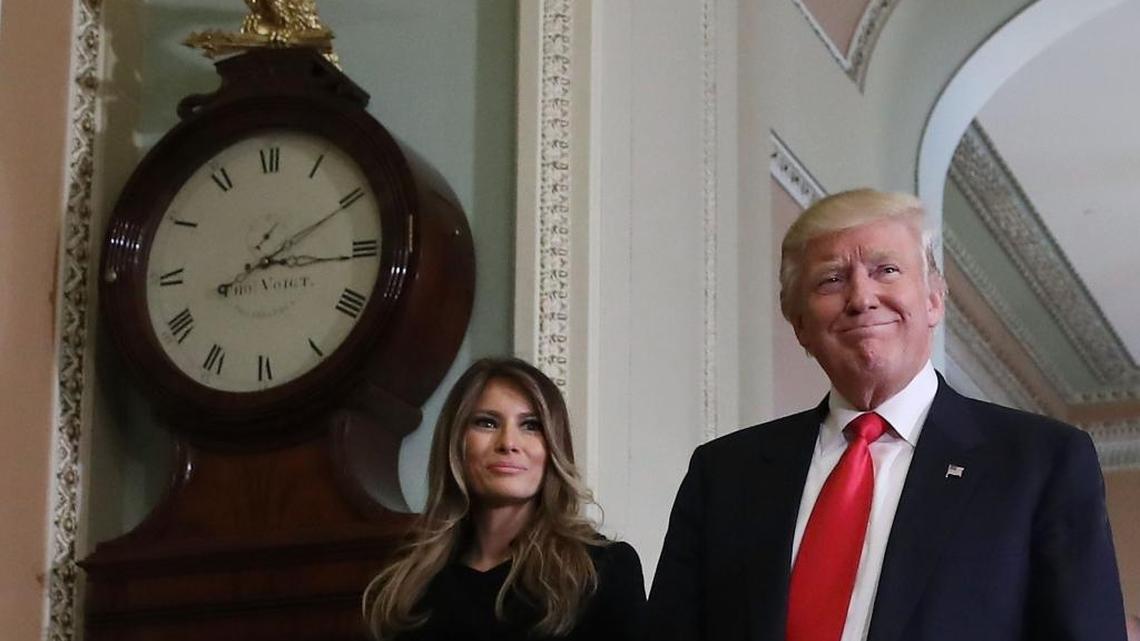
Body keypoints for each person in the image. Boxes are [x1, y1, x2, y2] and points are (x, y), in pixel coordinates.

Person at [645, 189, 1127, 641]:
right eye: (831, 279)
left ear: (934, 300)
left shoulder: (1039, 463)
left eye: (887, 270)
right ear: (799, 325)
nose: (861, 298)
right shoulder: (726, 474)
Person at [364, 357, 645, 641]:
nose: (508, 443)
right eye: (487, 423)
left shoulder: (602, 570)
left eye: (531, 425)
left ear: (555, 447)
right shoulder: (406, 584)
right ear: (456, 442)